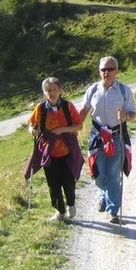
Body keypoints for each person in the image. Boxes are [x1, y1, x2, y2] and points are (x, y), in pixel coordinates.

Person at [79, 56, 136, 224]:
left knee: (113, 174)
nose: (107, 72)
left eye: (110, 69)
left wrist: (126, 116)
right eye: (103, 69)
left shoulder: (124, 91)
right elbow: (84, 110)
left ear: (116, 71)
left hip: (116, 135)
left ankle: (113, 210)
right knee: (97, 173)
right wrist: (74, 127)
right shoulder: (92, 90)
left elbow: (133, 113)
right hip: (97, 136)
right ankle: (103, 194)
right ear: (99, 72)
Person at [26, 77, 84, 222]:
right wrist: (33, 131)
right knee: (53, 184)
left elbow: (79, 126)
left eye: (54, 90)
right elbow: (31, 126)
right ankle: (60, 212)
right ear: (44, 93)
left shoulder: (68, 106)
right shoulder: (40, 109)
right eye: (48, 90)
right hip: (49, 153)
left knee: (68, 182)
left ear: (60, 91)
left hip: (67, 151)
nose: (51, 93)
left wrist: (61, 130)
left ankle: (70, 204)